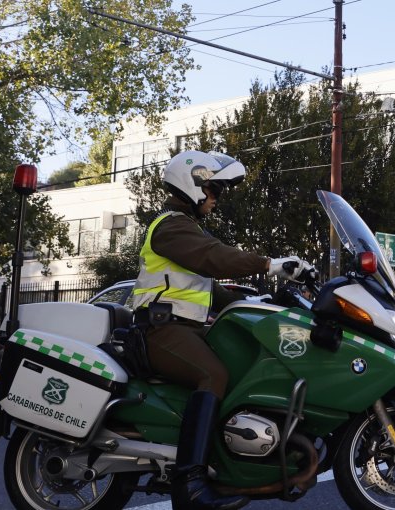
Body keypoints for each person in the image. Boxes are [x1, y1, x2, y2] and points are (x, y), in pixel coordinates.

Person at [132, 150, 312, 510]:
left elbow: (209, 290)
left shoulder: (186, 229)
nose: (217, 198)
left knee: (239, 366)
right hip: (161, 330)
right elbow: (214, 257)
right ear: (193, 185)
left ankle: (223, 463)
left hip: (183, 330)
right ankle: (190, 485)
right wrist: (270, 264)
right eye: (214, 190)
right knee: (212, 374)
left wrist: (261, 303)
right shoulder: (171, 226)